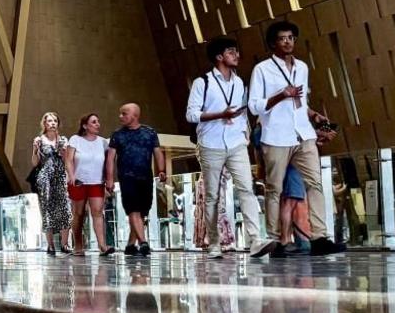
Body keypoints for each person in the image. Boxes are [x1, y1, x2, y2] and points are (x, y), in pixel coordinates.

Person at [250, 20, 343, 256]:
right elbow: (253, 106)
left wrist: (314, 115)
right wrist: (281, 95)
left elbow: (300, 102)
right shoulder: (262, 69)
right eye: (282, 38)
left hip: (303, 133)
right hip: (276, 136)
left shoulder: (302, 67)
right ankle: (274, 241)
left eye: (291, 37)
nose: (287, 42)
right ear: (273, 43)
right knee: (274, 189)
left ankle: (319, 237)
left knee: (315, 183)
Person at [185, 36, 266, 257]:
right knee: (212, 195)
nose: (237, 55)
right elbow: (191, 115)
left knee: (247, 188)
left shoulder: (239, 82)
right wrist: (221, 115)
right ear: (219, 57)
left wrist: (244, 134)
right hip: (210, 144)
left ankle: (255, 239)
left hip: (236, 142)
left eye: (236, 51)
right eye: (232, 52)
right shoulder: (203, 82)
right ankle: (213, 243)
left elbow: (242, 112)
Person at [105, 103, 166, 256]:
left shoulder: (150, 133)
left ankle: (131, 245)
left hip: (145, 177)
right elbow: (110, 158)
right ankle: (143, 242)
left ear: (135, 116)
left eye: (124, 113)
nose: (120, 116)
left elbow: (157, 152)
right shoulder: (117, 134)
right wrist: (110, 178)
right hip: (127, 178)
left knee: (142, 211)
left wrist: (162, 170)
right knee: (133, 209)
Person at [62, 114, 112, 255]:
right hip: (78, 181)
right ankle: (78, 245)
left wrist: (109, 179)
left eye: (98, 121)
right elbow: (69, 160)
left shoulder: (103, 142)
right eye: (94, 122)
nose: (98, 124)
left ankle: (102, 246)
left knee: (97, 212)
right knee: (79, 213)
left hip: (96, 182)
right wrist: (71, 176)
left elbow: (108, 162)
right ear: (85, 125)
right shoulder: (75, 140)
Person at [28, 113, 71, 255]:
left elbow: (67, 160)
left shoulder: (63, 139)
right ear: (44, 124)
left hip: (60, 176)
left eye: (55, 121)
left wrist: (64, 151)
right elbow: (35, 163)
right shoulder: (40, 140)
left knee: (65, 208)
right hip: (45, 177)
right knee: (47, 209)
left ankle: (65, 244)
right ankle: (50, 245)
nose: (52, 123)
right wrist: (35, 149)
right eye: (49, 121)